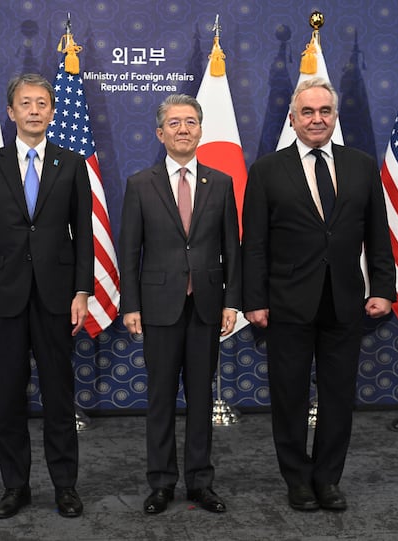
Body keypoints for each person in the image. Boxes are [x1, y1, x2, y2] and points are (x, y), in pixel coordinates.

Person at [241, 77, 396, 512]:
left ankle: (328, 480)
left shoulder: (362, 166)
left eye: (324, 112)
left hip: (344, 302)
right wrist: (255, 299)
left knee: (338, 397)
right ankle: (297, 481)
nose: (316, 119)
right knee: (288, 397)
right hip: (287, 303)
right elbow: (253, 244)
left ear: (335, 117)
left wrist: (383, 288)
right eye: (307, 112)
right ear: (293, 119)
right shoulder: (268, 170)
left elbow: (378, 235)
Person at [0, 73, 93, 519]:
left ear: (53, 112)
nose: (35, 110)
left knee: (60, 394)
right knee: (11, 398)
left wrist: (83, 291)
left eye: (42, 102)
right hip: (3, 297)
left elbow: (84, 236)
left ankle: (65, 486)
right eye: (26, 103)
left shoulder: (72, 164)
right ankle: (15, 486)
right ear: (12, 111)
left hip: (58, 297)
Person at [119, 94, 241, 515]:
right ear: (160, 133)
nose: (183, 129)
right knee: (160, 398)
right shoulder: (139, 184)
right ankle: (161, 483)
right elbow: (129, 250)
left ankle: (200, 483)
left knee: (202, 400)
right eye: (174, 123)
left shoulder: (221, 183)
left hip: (207, 306)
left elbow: (233, 250)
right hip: (157, 306)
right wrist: (130, 305)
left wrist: (232, 302)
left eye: (190, 121)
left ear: (201, 130)